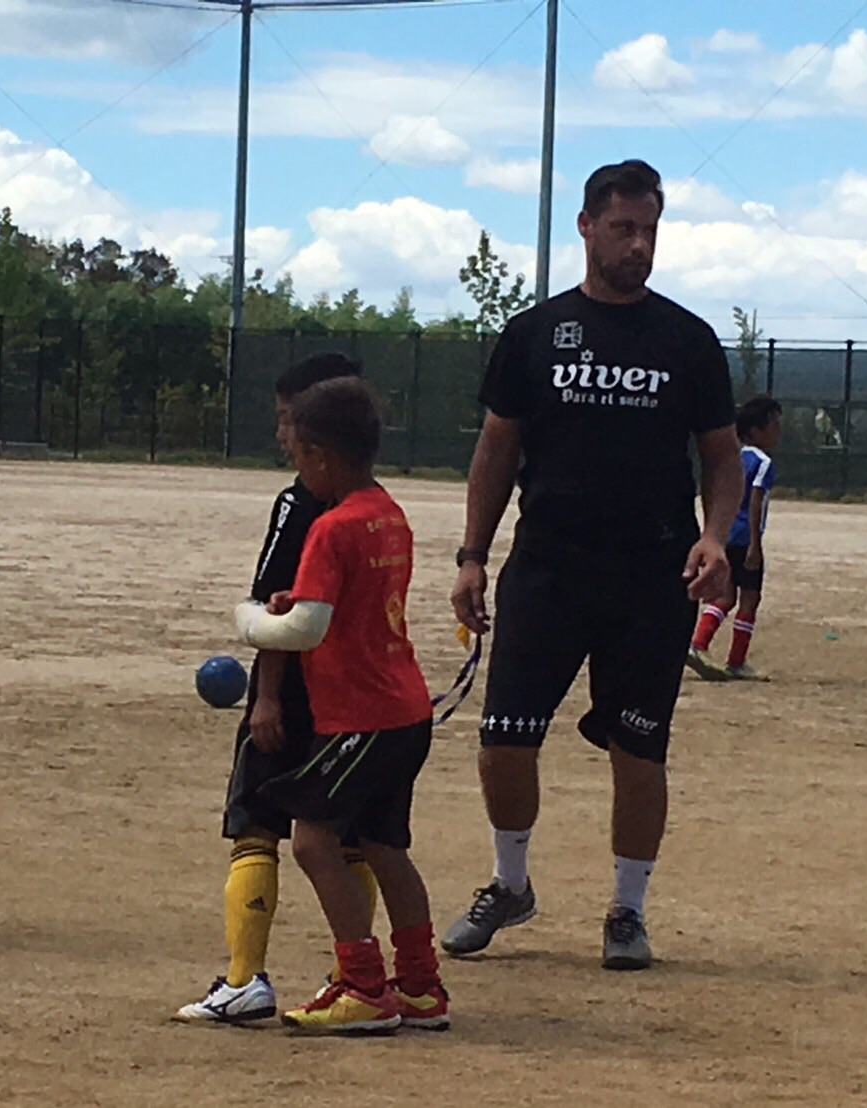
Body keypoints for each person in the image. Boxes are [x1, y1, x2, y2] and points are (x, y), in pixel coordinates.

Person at [442, 159, 745, 970]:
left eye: (650, 230)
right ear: (586, 226)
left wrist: (715, 536)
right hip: (547, 568)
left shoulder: (688, 341)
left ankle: (627, 910)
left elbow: (722, 458)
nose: (639, 245)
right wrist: (473, 556)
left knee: (639, 749)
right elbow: (495, 451)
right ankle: (511, 885)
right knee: (504, 738)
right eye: (624, 228)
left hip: (652, 579)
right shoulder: (535, 334)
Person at [236, 377, 448, 1034]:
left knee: (312, 842)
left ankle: (364, 985)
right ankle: (419, 985)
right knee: (385, 846)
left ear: (322, 456)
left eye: (299, 455)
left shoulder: (332, 526)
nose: (298, 469)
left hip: (360, 717)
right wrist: (294, 606)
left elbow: (306, 630)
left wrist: (250, 622)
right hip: (406, 708)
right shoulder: (390, 513)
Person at [174, 353, 381, 1025]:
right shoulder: (377, 507)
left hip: (296, 695)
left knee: (256, 828)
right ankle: (352, 973)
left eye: (289, 421)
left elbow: (277, 607)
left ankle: (244, 978)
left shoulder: (302, 504)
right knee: (354, 839)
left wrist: (265, 696)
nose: (282, 436)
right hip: (360, 702)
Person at [688, 395, 784, 682]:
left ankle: (698, 644)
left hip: (726, 534)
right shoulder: (763, 462)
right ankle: (737, 661)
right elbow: (756, 500)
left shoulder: (733, 458)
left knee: (724, 596)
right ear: (755, 431)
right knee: (749, 599)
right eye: (775, 425)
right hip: (745, 538)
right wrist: (756, 543)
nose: (779, 432)